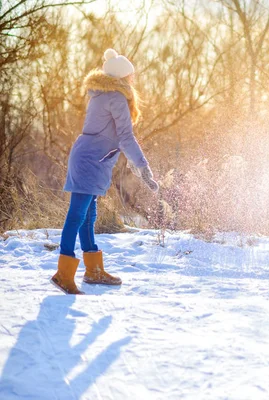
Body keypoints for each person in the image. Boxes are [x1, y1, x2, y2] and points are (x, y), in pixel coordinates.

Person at [51, 49, 159, 295]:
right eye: (130, 76)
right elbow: (126, 138)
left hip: (92, 158)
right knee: (77, 215)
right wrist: (143, 168)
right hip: (90, 160)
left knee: (88, 216)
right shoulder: (115, 98)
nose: (133, 80)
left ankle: (93, 271)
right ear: (122, 78)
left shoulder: (103, 95)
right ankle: (63, 274)